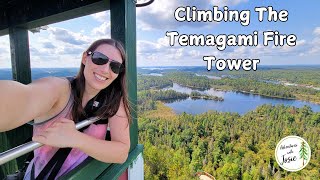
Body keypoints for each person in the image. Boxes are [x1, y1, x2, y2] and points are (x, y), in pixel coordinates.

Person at [0, 39, 131, 179]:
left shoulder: (112, 100)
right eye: (100, 59)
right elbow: (25, 97)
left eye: (115, 66)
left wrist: (76, 139)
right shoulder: (60, 90)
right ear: (85, 58)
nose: (105, 69)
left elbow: (121, 153)